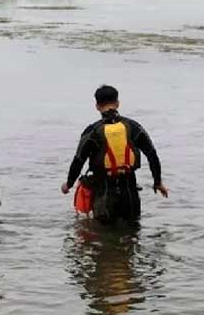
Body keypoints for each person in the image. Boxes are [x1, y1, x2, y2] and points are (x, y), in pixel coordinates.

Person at [61, 85, 168, 223]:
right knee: (132, 236)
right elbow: (152, 155)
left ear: (97, 106)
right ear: (117, 103)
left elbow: (78, 161)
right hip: (130, 194)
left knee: (104, 239)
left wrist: (68, 185)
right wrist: (157, 182)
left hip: (104, 194)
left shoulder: (92, 132)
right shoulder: (134, 127)